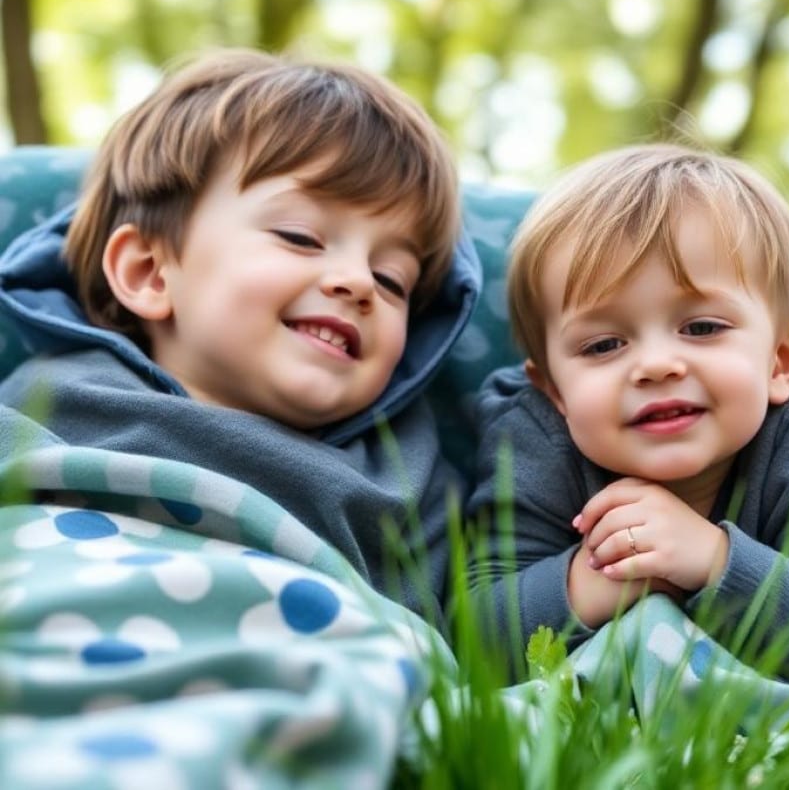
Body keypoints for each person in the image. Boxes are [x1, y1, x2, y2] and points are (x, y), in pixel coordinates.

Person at [0, 48, 480, 621]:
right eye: (300, 237)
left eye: (392, 279)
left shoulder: (404, 475)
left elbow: (459, 632)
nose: (359, 282)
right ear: (149, 274)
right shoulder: (53, 400)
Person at [467, 144, 789, 687]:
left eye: (701, 328)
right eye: (604, 344)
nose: (656, 365)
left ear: (781, 360)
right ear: (555, 391)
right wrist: (597, 580)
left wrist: (713, 560)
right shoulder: (533, 431)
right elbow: (471, 639)